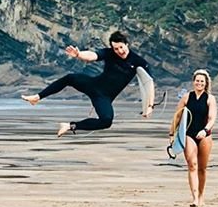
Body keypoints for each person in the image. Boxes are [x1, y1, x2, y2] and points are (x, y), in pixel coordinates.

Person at [21, 30, 154, 137]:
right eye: (116, 48)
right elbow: (92, 56)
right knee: (70, 78)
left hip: (103, 97)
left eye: (121, 47)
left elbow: (149, 83)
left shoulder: (138, 61)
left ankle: (69, 126)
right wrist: (79, 54)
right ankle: (37, 97)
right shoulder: (109, 53)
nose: (119, 51)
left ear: (126, 44)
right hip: (93, 85)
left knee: (106, 121)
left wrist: (150, 106)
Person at [169, 69, 217, 207]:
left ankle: (201, 195)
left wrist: (205, 130)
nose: (199, 83)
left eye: (202, 81)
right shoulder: (186, 97)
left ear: (206, 83)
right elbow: (177, 116)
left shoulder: (210, 98)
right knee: (192, 165)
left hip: (204, 135)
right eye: (197, 81)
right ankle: (195, 198)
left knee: (202, 168)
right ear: (193, 82)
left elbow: (212, 118)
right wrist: (172, 134)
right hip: (188, 134)